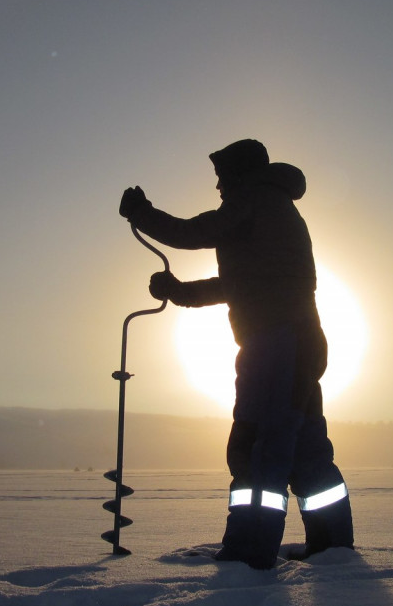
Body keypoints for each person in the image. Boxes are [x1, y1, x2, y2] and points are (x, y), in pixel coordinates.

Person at [119, 139, 354, 569]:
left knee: (259, 444)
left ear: (239, 174)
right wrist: (180, 292)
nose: (219, 187)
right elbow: (240, 285)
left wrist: (142, 213)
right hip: (300, 343)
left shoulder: (254, 201)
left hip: (276, 346)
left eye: (221, 177)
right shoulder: (274, 209)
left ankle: (249, 550)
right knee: (304, 447)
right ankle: (333, 545)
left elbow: (194, 232)